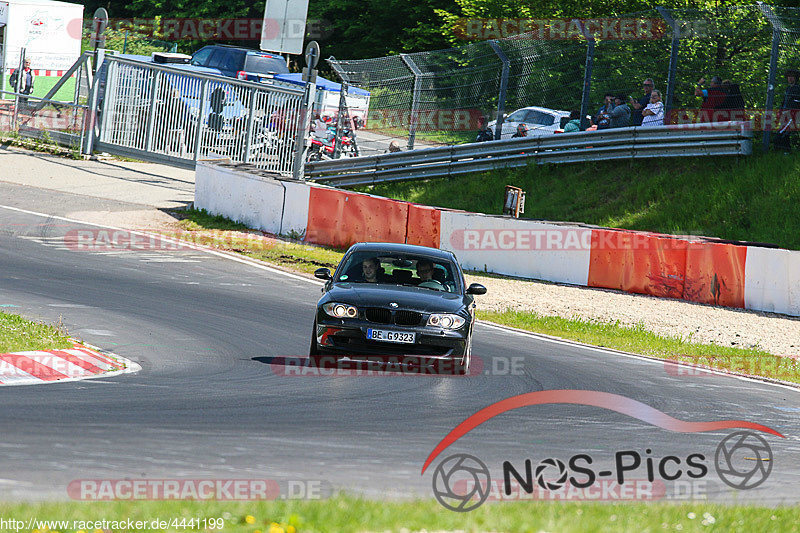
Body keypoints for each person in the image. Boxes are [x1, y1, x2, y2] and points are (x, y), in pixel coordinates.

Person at [775, 69, 800, 152]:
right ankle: (785, 152)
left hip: (792, 115)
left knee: (781, 133)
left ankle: (785, 151)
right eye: (789, 76)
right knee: (784, 133)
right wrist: (780, 111)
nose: (790, 78)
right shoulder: (788, 89)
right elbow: (784, 101)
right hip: (785, 115)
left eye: (792, 76)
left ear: (796, 78)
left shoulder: (797, 89)